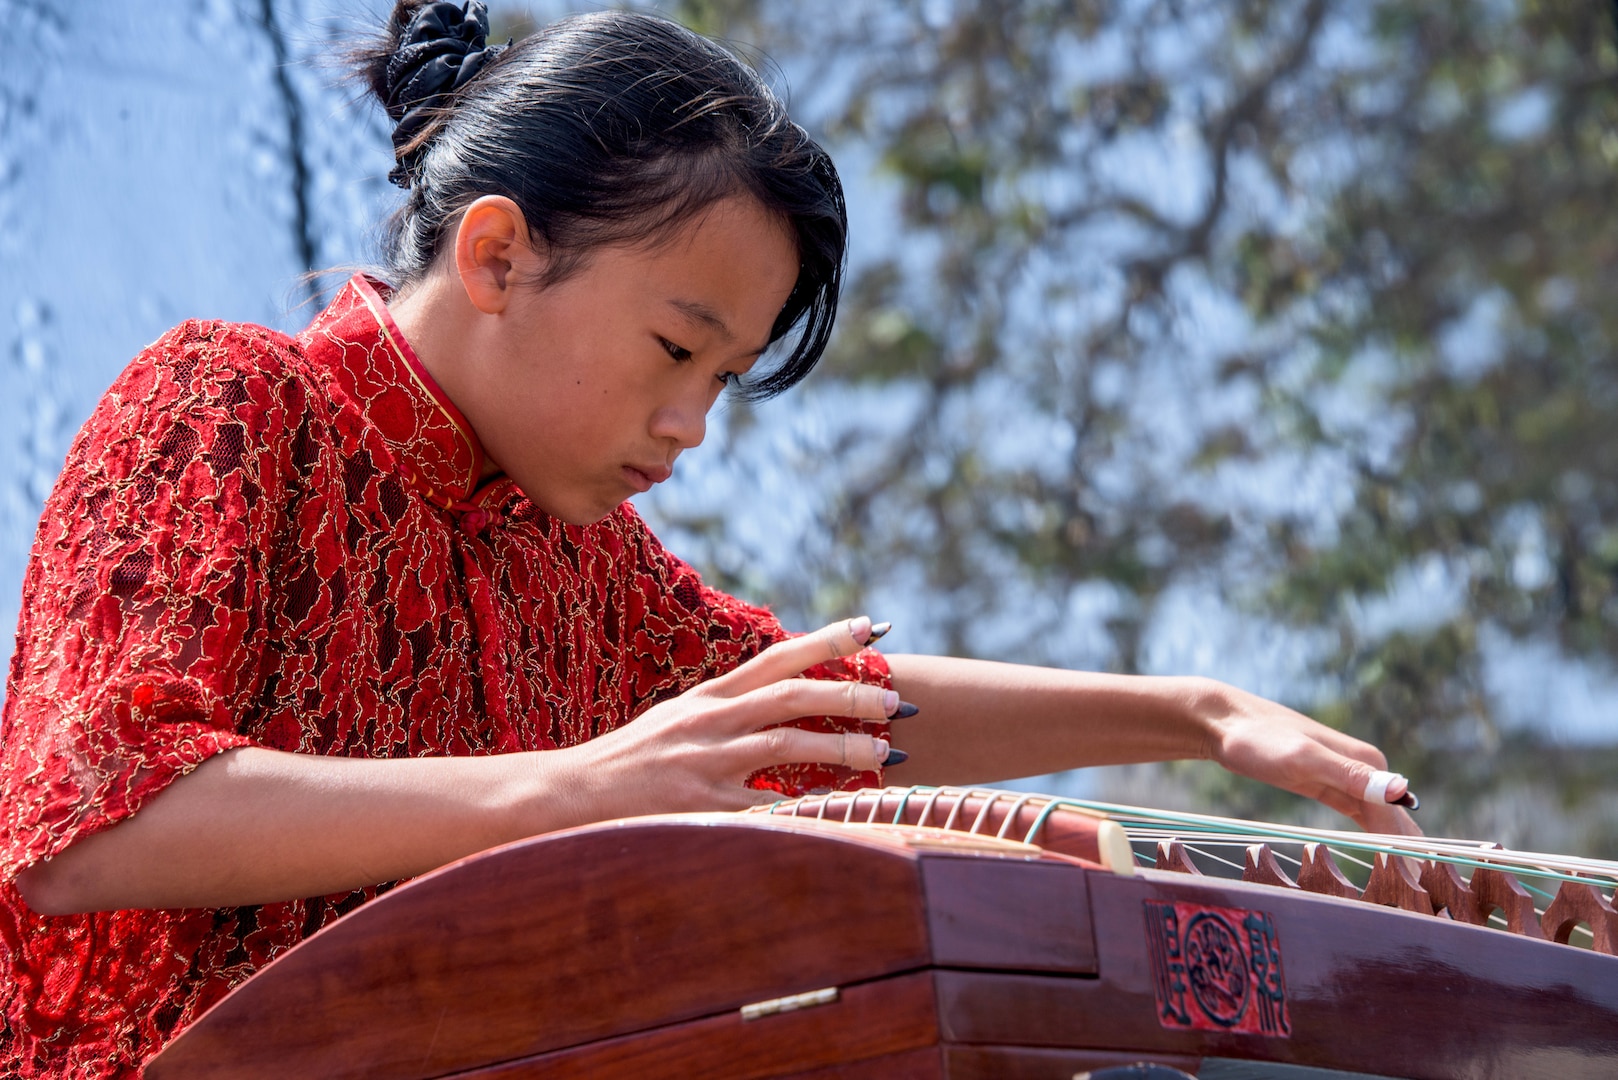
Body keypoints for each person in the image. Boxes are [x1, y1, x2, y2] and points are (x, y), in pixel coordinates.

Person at [0, 4, 1416, 1076]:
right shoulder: (230, 403)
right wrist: (568, 789)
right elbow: (92, 823)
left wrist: (1197, 712)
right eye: (675, 348)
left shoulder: (581, 560)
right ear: (496, 256)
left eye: (723, 380)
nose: (688, 426)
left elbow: (838, 716)